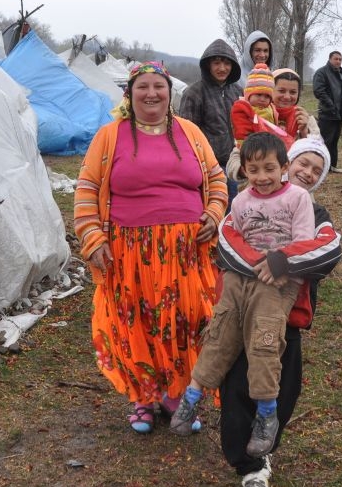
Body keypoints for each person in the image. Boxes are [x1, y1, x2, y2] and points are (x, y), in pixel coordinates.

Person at [74, 61, 229, 432]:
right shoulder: (110, 137)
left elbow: (216, 177)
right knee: (137, 321)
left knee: (188, 321)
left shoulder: (190, 132)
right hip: (129, 252)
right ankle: (143, 396)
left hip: (188, 251)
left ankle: (177, 393)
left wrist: (214, 210)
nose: (151, 93)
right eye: (142, 86)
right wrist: (93, 237)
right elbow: (87, 187)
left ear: (169, 92)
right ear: (129, 93)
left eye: (158, 86)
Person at [168, 133, 315, 460]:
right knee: (220, 333)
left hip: (277, 281)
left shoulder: (298, 199)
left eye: (268, 168)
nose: (261, 177)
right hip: (240, 275)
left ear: (284, 167)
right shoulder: (242, 202)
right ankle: (192, 396)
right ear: (244, 170)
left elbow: (306, 243)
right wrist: (246, 261)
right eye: (253, 170)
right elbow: (230, 237)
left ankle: (266, 413)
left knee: (264, 340)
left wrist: (278, 262)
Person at [216, 137, 342, 487]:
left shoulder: (316, 214)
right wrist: (265, 267)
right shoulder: (245, 204)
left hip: (289, 319)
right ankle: (249, 464)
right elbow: (226, 244)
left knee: (284, 389)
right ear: (288, 163)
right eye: (304, 163)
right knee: (239, 385)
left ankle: (265, 441)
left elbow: (328, 250)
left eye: (317, 170)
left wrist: (282, 259)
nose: (309, 172)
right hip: (244, 314)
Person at [180, 39, 243, 206]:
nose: (222, 68)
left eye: (227, 63)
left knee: (233, 213)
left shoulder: (238, 92)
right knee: (213, 211)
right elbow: (187, 136)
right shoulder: (193, 93)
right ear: (208, 65)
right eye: (216, 63)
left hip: (235, 163)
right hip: (208, 167)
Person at [230, 67, 296, 152]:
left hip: (270, 147)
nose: (262, 99)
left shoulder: (271, 108)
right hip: (251, 148)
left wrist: (281, 125)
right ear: (248, 95)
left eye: (267, 96)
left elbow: (274, 123)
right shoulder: (244, 108)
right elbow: (241, 132)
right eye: (259, 95)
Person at [312, 51, 342, 173]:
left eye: (340, 59)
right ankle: (319, 166)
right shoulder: (321, 73)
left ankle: (332, 166)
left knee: (334, 142)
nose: (338, 61)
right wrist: (331, 106)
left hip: (339, 115)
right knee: (324, 141)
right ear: (330, 59)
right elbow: (319, 91)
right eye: (336, 59)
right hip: (327, 114)